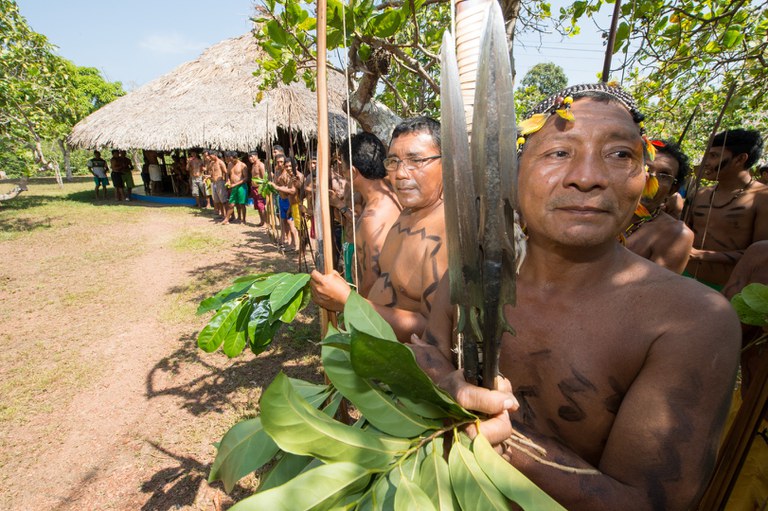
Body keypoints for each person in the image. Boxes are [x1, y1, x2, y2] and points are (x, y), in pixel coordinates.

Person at [413, 84, 740, 510]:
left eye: (619, 154)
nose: (587, 177)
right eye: (559, 152)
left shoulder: (691, 320)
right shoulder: (469, 279)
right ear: (513, 173)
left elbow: (649, 503)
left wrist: (502, 442)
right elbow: (425, 362)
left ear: (644, 178)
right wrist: (440, 389)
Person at [311, 117, 448, 343]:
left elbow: (435, 332)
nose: (400, 173)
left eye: (416, 160)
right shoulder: (407, 212)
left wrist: (349, 303)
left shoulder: (444, 235)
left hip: (404, 361)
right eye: (393, 161)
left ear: (447, 162)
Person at [685, 129, 768, 290]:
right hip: (684, 277)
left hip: (727, 290)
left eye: (714, 156)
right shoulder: (700, 194)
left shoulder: (762, 198)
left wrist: (700, 255)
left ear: (740, 159)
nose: (706, 162)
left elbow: (761, 255)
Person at [330, 132, 402, 296]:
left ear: (352, 172)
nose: (342, 173)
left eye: (343, 168)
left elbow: (371, 282)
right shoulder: (394, 193)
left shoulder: (372, 219)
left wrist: (349, 304)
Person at [623, 138, 694, 273]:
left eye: (664, 175)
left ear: (672, 190)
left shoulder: (675, 234)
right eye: (645, 168)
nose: (650, 178)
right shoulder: (599, 212)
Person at [271, 154, 300, 252]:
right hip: (282, 199)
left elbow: (291, 190)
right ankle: (290, 241)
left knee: (291, 224)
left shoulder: (290, 175)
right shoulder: (277, 172)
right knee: (284, 221)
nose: (279, 164)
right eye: (277, 162)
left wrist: (277, 187)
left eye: (281, 162)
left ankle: (296, 244)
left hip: (289, 201)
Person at [222, 151, 248, 225]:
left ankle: (243, 219)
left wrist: (235, 184)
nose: (231, 161)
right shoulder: (229, 164)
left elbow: (246, 178)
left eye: (232, 160)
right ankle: (226, 219)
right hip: (233, 186)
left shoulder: (242, 165)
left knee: (242, 204)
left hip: (241, 186)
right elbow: (227, 174)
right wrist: (228, 181)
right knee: (231, 203)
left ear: (236, 158)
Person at [204, 150, 228, 218]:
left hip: (220, 182)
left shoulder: (220, 162)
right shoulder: (211, 163)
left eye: (210, 156)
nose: (210, 157)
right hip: (213, 182)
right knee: (217, 200)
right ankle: (222, 214)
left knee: (223, 200)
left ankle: (226, 215)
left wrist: (226, 181)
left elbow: (226, 172)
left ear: (215, 155)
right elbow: (210, 171)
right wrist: (208, 176)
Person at [248, 152, 267, 226]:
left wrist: (262, 189)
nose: (250, 158)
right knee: (257, 206)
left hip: (259, 188)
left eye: (252, 156)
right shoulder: (253, 165)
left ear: (256, 156)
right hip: (254, 188)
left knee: (261, 205)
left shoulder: (261, 165)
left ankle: (265, 222)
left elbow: (264, 178)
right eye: (249, 157)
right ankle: (261, 221)